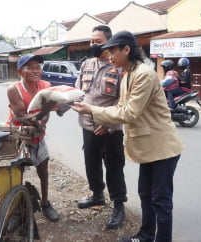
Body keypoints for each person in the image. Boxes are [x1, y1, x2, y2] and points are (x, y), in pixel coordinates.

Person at [71, 30, 184, 242]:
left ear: (126, 49)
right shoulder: (127, 76)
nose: (110, 56)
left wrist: (92, 111)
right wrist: (106, 122)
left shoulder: (144, 74)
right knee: (145, 195)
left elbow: (130, 112)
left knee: (161, 201)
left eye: (113, 51)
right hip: (148, 148)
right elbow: (121, 106)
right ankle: (145, 236)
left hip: (162, 148)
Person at [74, 25, 127, 230]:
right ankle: (97, 195)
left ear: (109, 42)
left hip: (110, 129)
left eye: (98, 41)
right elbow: (78, 91)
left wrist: (109, 123)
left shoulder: (120, 68)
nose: (93, 45)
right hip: (87, 126)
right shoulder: (86, 64)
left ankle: (119, 205)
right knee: (91, 164)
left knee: (114, 167)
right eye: (91, 41)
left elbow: (123, 102)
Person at [6, 53, 60, 222]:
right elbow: (20, 114)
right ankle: (16, 208)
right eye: (30, 67)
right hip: (19, 135)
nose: (36, 70)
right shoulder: (14, 89)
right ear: (20, 71)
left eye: (38, 67)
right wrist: (38, 121)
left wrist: (41, 124)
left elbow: (48, 110)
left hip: (38, 134)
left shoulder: (46, 85)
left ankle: (45, 203)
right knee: (16, 172)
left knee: (43, 171)